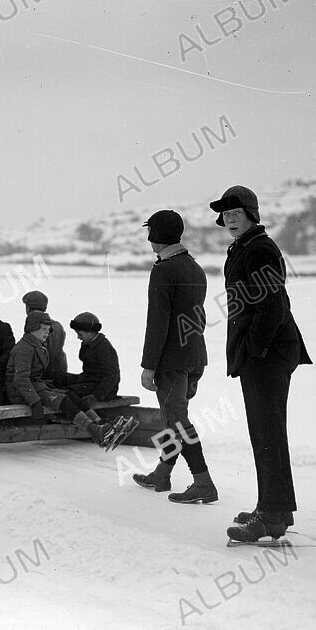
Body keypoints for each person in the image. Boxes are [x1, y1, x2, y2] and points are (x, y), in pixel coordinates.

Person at [209, 187, 311, 543]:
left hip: (267, 354)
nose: (230, 218)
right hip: (261, 352)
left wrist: (254, 350)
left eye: (236, 212)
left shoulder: (261, 248)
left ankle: (271, 513)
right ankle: (274, 510)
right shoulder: (244, 247)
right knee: (265, 433)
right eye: (226, 214)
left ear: (251, 213)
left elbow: (272, 308)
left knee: (268, 434)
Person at [131, 211, 217, 503]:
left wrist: (149, 366)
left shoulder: (163, 270)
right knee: (175, 418)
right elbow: (198, 318)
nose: (148, 239)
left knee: (178, 422)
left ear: (156, 235)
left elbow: (158, 322)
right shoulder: (195, 267)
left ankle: (203, 482)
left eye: (150, 233)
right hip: (195, 356)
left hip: (171, 361)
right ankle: (162, 473)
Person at [6, 311, 136, 450]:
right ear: (32, 328)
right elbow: (20, 379)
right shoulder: (24, 348)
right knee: (62, 400)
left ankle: (99, 423)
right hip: (22, 391)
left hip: (34, 387)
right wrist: (34, 401)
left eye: (48, 329)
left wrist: (96, 395)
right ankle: (95, 429)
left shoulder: (36, 345)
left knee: (68, 395)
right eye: (44, 329)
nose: (47, 332)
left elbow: (111, 375)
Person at [61, 312, 120, 405]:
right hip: (89, 380)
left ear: (91, 333)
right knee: (60, 378)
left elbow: (112, 376)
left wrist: (96, 396)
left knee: (69, 391)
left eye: (80, 334)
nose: (78, 337)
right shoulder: (88, 344)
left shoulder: (104, 348)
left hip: (103, 388)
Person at [22, 290, 67, 382]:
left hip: (42, 376)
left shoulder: (34, 327)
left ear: (28, 308)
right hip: (59, 371)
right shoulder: (58, 325)